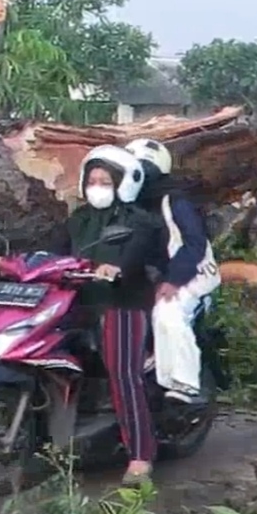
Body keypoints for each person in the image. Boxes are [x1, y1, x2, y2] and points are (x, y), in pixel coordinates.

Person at [55, 146, 165, 486]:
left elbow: (134, 257)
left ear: (122, 183)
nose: (97, 186)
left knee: (123, 374)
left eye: (105, 181)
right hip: (80, 302)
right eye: (92, 180)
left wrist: (116, 268)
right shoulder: (80, 220)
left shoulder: (139, 221)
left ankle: (140, 456)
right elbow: (57, 253)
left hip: (123, 304)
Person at [124, 138, 219, 405]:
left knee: (169, 313)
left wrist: (174, 280)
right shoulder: (129, 203)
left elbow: (195, 243)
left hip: (191, 274)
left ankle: (185, 384)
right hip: (151, 275)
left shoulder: (174, 201)